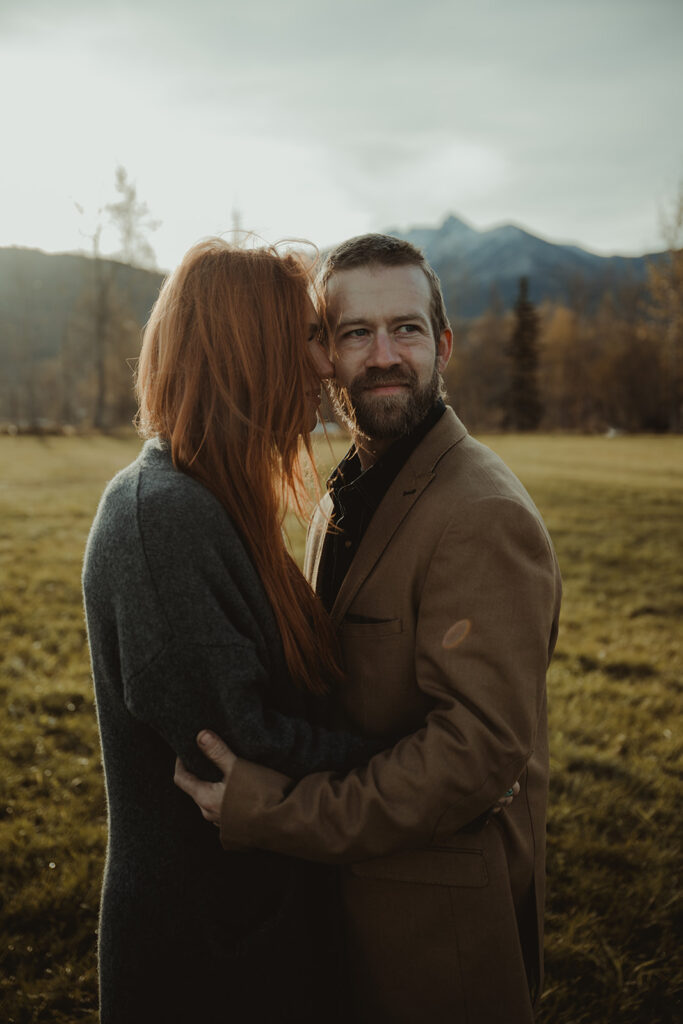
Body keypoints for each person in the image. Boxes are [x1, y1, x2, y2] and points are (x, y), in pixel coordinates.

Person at [175, 234, 563, 1024]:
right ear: (323, 354)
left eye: (406, 329)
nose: (383, 355)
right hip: (343, 918)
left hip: (432, 941)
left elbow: (473, 757)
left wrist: (275, 812)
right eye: (356, 333)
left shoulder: (480, 514)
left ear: (442, 344)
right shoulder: (343, 492)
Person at [81, 238, 390, 1024]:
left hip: (257, 930)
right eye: (311, 338)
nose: (327, 367)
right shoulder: (163, 517)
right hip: (209, 957)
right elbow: (236, 743)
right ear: (243, 351)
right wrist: (418, 760)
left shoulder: (215, 497)